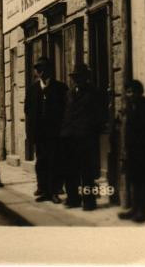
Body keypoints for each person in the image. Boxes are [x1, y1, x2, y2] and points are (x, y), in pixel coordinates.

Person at [60, 63, 106, 211]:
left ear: (86, 78)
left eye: (80, 77)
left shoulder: (94, 92)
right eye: (75, 77)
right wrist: (64, 132)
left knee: (87, 171)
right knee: (70, 170)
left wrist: (92, 132)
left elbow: (100, 115)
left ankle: (89, 202)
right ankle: (73, 199)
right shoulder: (70, 93)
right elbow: (66, 114)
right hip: (70, 138)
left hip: (86, 138)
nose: (77, 80)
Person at [24, 57, 68, 203]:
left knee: (55, 162)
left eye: (43, 69)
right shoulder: (32, 90)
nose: (40, 72)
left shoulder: (60, 88)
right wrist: (30, 134)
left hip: (56, 133)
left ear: (49, 70)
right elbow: (28, 112)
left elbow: (66, 111)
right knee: (41, 162)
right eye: (38, 69)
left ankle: (54, 192)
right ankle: (43, 189)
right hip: (39, 133)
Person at [118, 80, 145, 222]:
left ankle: (142, 211)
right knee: (132, 179)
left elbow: (143, 128)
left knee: (141, 181)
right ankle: (134, 209)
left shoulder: (144, 105)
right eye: (128, 91)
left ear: (139, 92)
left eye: (132, 91)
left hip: (142, 150)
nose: (129, 94)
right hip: (130, 149)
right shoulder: (130, 106)